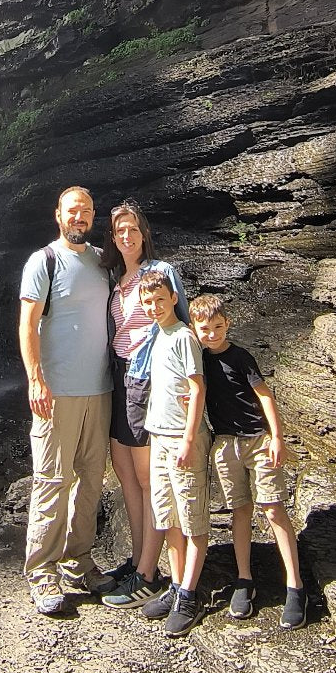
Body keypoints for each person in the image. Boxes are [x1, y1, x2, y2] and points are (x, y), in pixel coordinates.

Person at [18, 185, 116, 615]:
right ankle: (42, 571)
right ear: (58, 215)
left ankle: (79, 561)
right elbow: (27, 324)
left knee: (91, 481)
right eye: (73, 210)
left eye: (87, 211)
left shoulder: (101, 261)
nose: (80, 216)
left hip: (101, 389)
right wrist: (35, 380)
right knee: (52, 481)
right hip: (56, 393)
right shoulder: (44, 261)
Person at [188, 292, 308, 630]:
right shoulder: (198, 360)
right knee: (239, 510)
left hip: (257, 441)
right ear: (195, 329)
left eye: (217, 327)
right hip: (225, 445)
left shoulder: (241, 357)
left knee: (272, 508)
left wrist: (277, 437)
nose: (211, 334)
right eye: (204, 329)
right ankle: (244, 579)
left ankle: (295, 586)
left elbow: (264, 396)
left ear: (227, 324)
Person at [98, 200, 189, 607]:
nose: (126, 236)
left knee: (149, 479)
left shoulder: (160, 273)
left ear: (144, 232)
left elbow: (181, 325)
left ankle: (151, 574)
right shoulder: (118, 278)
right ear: (113, 239)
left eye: (132, 228)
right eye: (119, 231)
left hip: (145, 380)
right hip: (117, 378)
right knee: (126, 475)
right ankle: (137, 560)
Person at [133, 269, 211, 637]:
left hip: (182, 439)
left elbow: (197, 389)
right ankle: (177, 586)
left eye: (159, 300)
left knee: (191, 518)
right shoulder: (157, 336)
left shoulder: (183, 337)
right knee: (168, 518)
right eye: (147, 302)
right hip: (158, 436)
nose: (154, 307)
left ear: (173, 299)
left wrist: (189, 438)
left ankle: (190, 596)